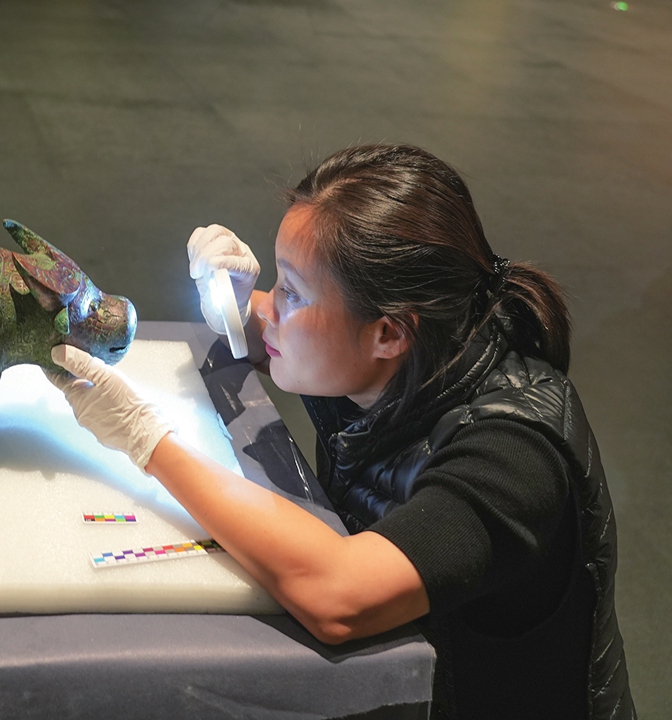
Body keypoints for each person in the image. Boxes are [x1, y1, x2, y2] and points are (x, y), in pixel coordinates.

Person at [46, 144, 635, 719]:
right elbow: (299, 337)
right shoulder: (416, 353)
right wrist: (231, 306)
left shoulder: (515, 454)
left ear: (389, 333)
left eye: (293, 292)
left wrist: (148, 441)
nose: (270, 305)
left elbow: (337, 595)